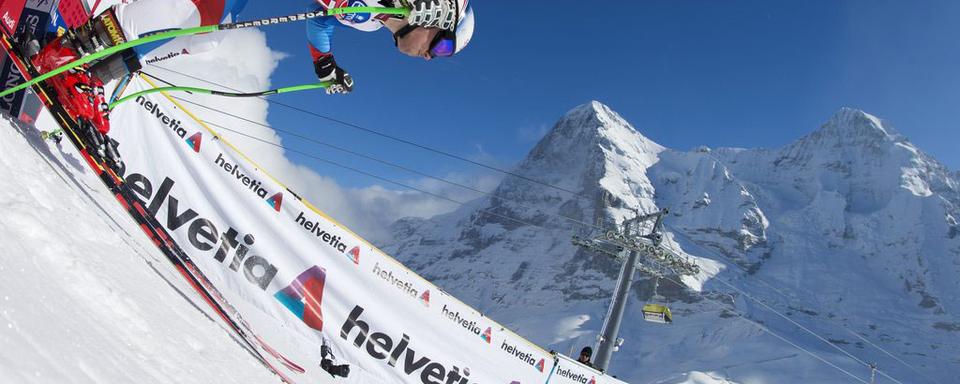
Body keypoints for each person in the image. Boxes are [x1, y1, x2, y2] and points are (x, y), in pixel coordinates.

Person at [27, 0, 475, 149]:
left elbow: (323, 20)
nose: (435, 56)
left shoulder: (372, 18)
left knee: (206, 37)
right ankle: (67, 52)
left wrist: (324, 65)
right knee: (202, 7)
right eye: (445, 43)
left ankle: (89, 74)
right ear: (437, 11)